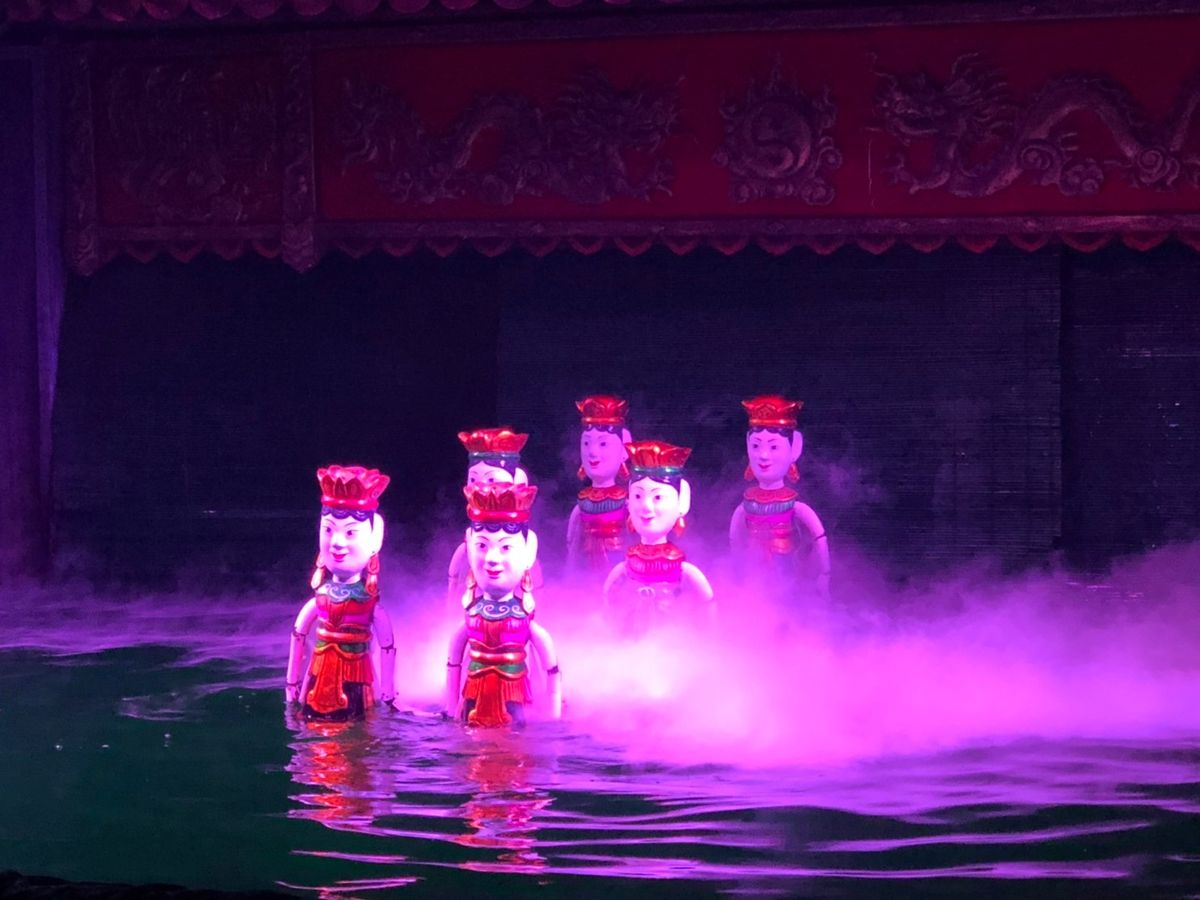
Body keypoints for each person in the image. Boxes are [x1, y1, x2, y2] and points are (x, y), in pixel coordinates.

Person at [445, 483, 563, 727]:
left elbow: (551, 668)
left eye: (506, 547)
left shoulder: (524, 620)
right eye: (482, 546)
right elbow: (453, 663)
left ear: (528, 552)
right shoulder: (471, 616)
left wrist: (553, 717)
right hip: (472, 698)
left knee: (513, 743)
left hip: (513, 697)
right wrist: (449, 707)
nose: (492, 559)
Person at [286, 465, 396, 720]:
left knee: (356, 731)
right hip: (315, 685)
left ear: (375, 539)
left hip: (357, 683)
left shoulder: (369, 604)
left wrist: (387, 696)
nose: (337, 542)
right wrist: (292, 688)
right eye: (328, 530)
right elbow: (298, 636)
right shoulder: (320, 598)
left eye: (350, 532)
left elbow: (387, 647)